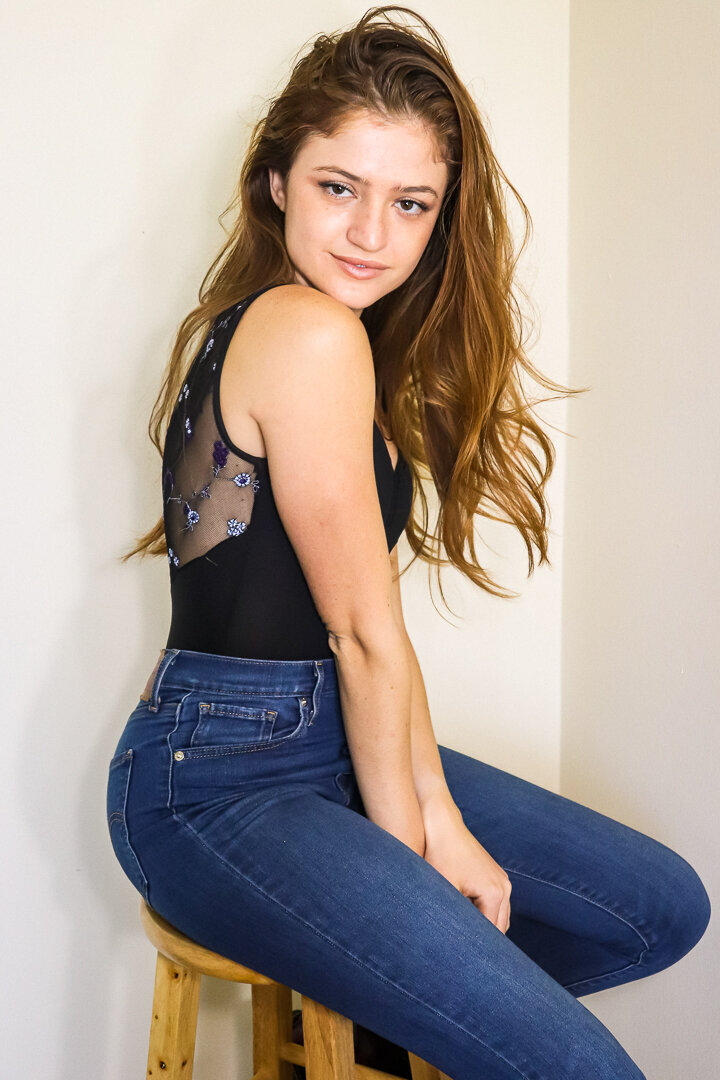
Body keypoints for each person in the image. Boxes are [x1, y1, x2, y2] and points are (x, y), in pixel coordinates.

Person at [107, 7, 710, 1078]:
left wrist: (438, 811)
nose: (370, 234)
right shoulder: (307, 332)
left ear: (440, 217)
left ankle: (391, 1019)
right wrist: (422, 849)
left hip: (329, 742)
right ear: (279, 181)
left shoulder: (331, 344)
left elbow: (371, 637)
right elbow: (363, 638)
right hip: (217, 783)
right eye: (339, 186)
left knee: (658, 907)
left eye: (409, 202)